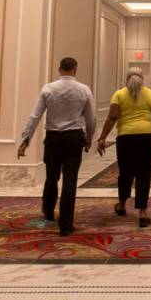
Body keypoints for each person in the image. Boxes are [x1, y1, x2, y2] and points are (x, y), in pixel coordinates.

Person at [17, 57, 95, 236]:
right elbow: (91, 118)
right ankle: (66, 225)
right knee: (70, 181)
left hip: (53, 139)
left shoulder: (48, 88)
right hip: (74, 138)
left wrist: (25, 140)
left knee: (51, 177)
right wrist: (89, 138)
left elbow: (35, 116)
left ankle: (49, 211)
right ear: (75, 70)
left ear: (59, 69)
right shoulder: (84, 90)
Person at [97, 67, 151, 227]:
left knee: (125, 173)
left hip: (126, 138)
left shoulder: (119, 95)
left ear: (127, 79)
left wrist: (102, 137)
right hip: (148, 138)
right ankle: (143, 213)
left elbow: (112, 117)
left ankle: (122, 205)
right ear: (142, 79)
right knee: (144, 174)